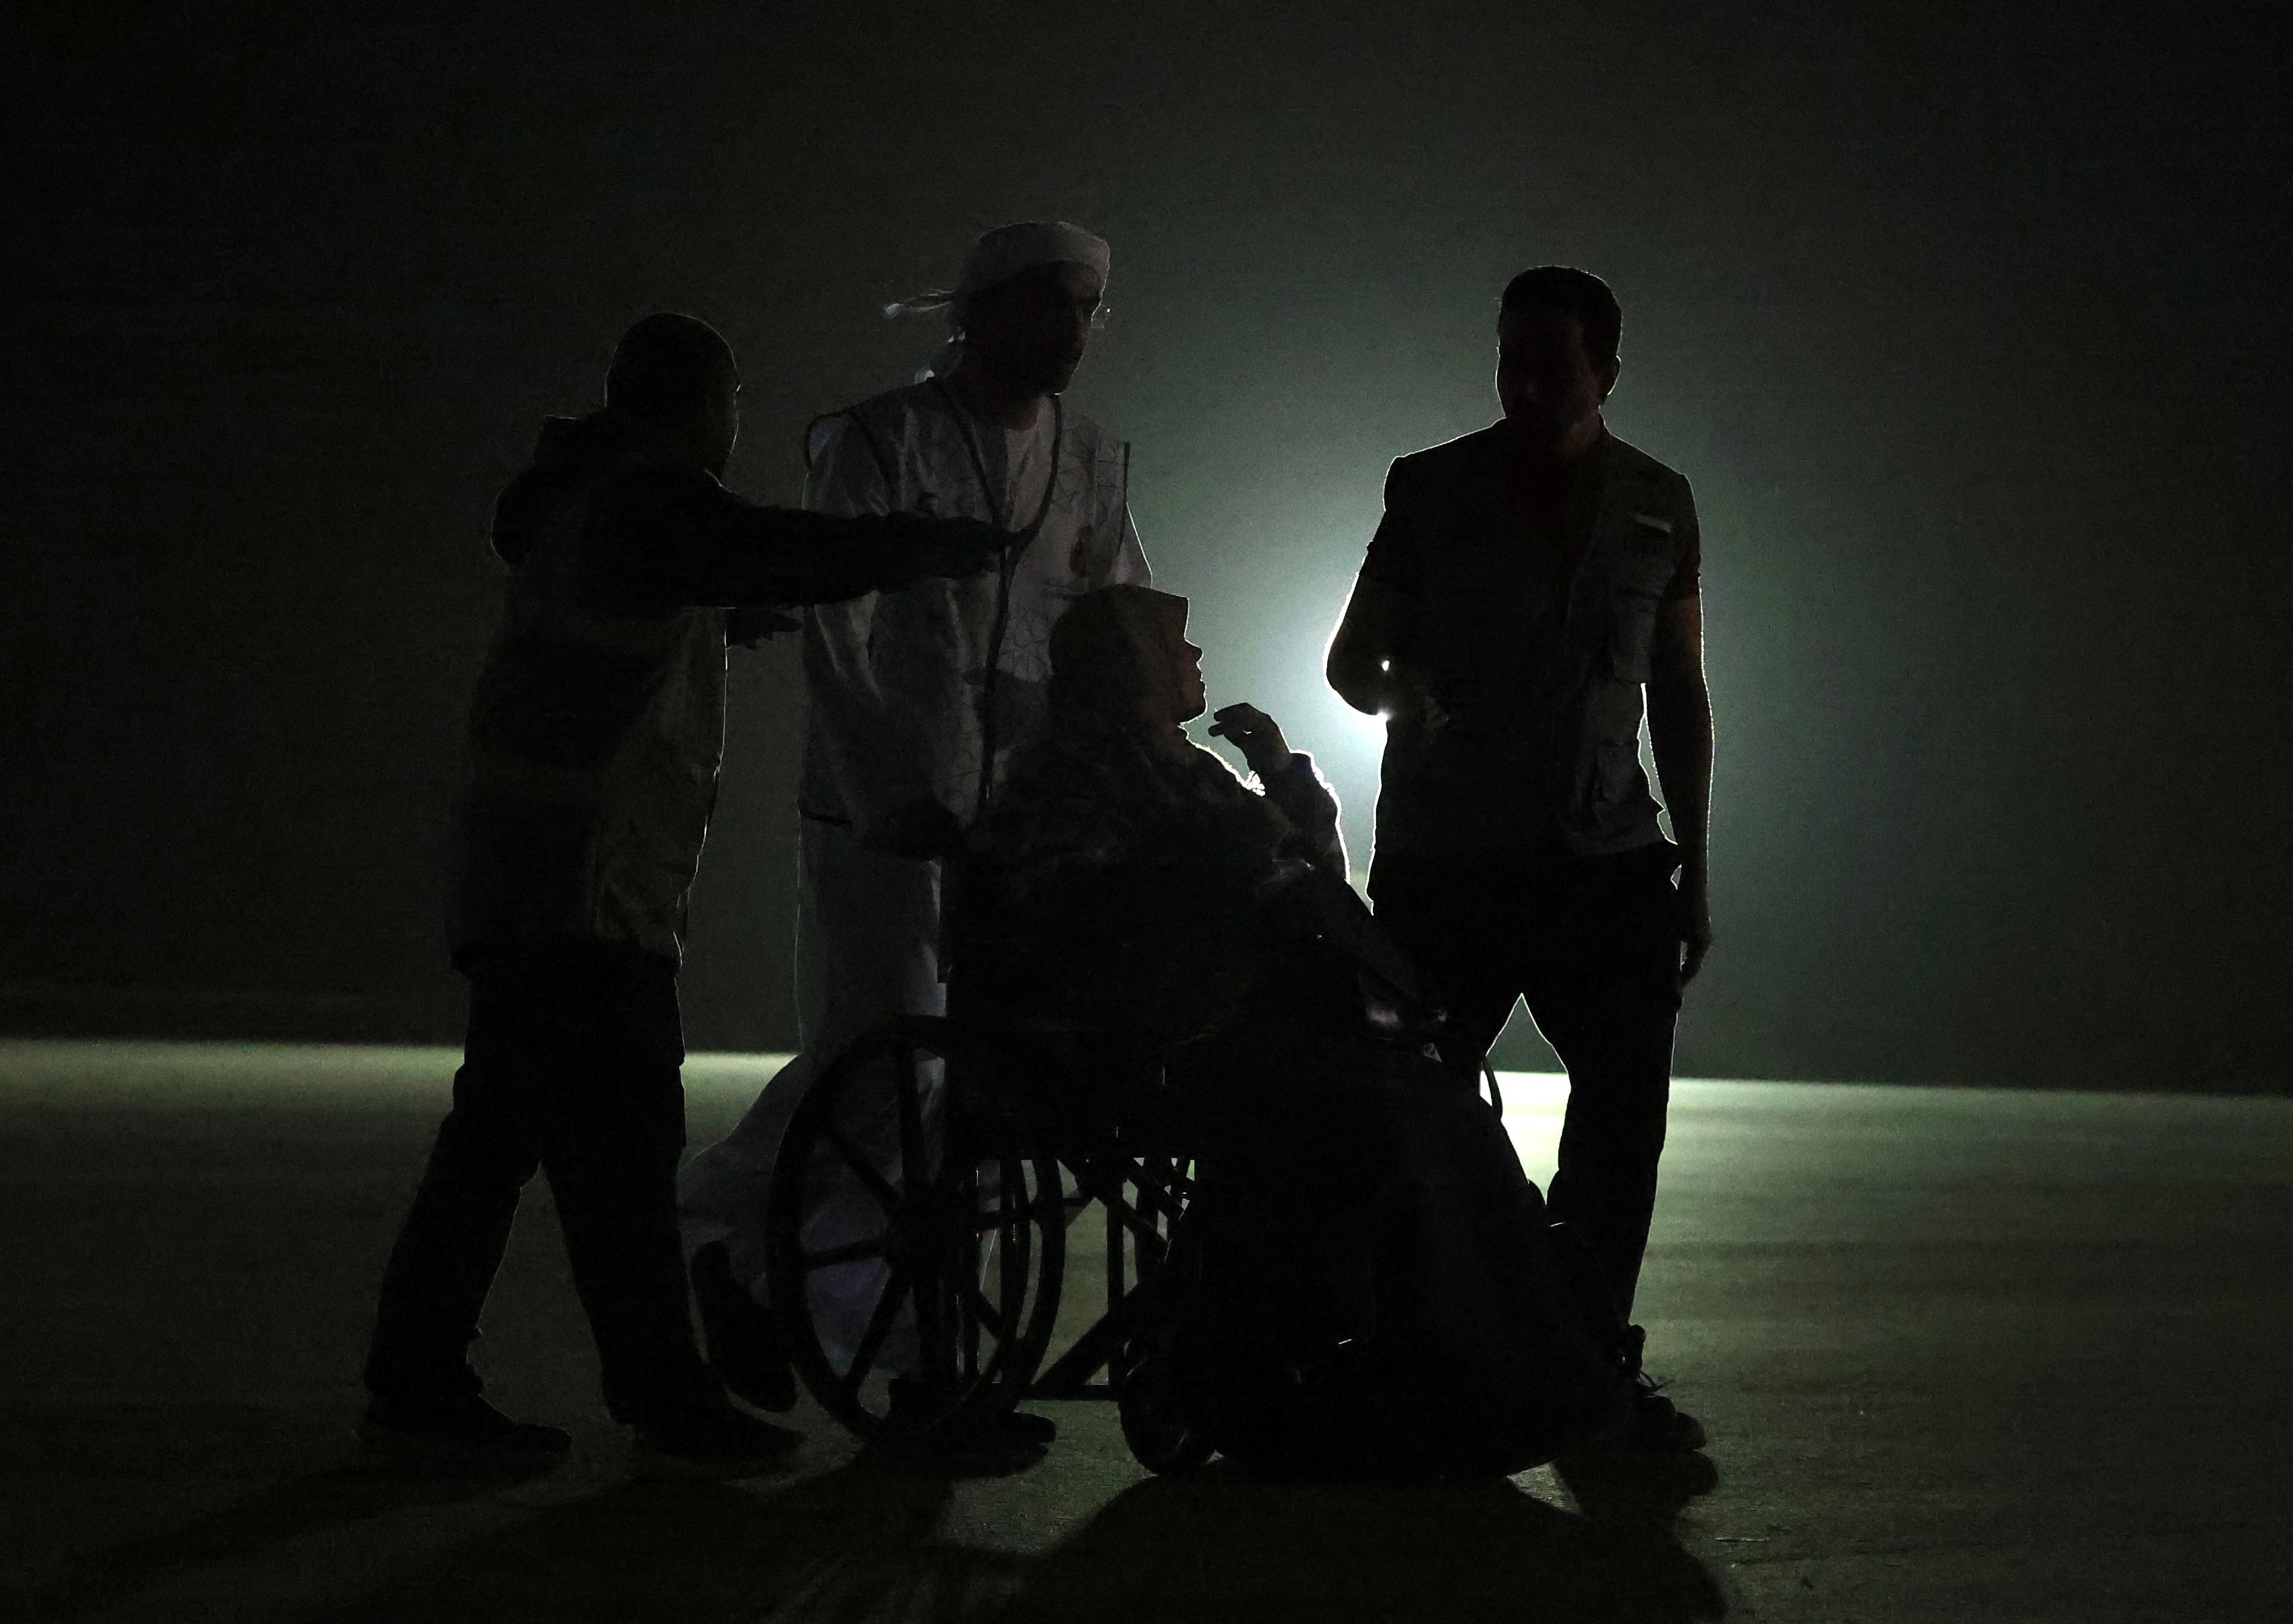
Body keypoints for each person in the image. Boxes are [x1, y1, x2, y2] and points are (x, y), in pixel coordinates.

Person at [359, 313, 1005, 1473]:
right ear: (706, 400)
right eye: (732, 399)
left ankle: (428, 1381)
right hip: (585, 883)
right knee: (618, 1138)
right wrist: (919, 546)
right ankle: (655, 1392)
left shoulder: (589, 503)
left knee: (502, 1137)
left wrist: (737, 613)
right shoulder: (647, 500)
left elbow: (714, 578)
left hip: (532, 873)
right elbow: (768, 546)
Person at [677, 224, 1149, 1442]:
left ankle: (916, 1364)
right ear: (982, 314)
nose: (1073, 334)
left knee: (989, 1093)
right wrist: (894, 782)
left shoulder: (1090, 461)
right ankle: (742, 1247)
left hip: (1022, 819)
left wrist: (1130, 767)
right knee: (880, 1063)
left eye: (1087, 312)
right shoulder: (880, 440)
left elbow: (1120, 623)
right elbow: (836, 631)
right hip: (885, 808)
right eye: (1051, 309)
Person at [1325, 265, 1715, 1453]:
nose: (1528, 385)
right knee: (1414, 1115)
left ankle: (1589, 1360)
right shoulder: (1433, 487)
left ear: (1609, 366)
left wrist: (1696, 866)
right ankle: (1414, 1349)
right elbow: (1353, 663)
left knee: (1622, 1125)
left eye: (1554, 364)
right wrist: (1414, 702)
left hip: (1605, 858)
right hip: (1455, 864)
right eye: (1511, 361)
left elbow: (1681, 694)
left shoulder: (1659, 502)